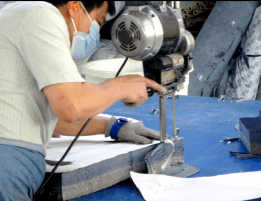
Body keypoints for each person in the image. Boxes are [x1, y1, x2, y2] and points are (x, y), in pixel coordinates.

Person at [0, 1, 165, 200]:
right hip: (7, 163)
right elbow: (71, 106)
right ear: (75, 8)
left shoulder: (14, 13)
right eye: (97, 21)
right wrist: (120, 86)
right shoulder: (40, 14)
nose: (93, 32)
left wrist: (112, 126)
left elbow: (43, 113)